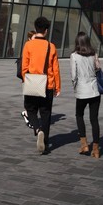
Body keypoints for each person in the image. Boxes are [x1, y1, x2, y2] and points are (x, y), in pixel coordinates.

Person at [21, 16, 61, 155]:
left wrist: (26, 80)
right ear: (46, 30)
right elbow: (55, 69)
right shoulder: (51, 46)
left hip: (32, 83)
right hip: (47, 85)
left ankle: (37, 129)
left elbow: (24, 67)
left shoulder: (28, 45)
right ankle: (45, 142)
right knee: (46, 113)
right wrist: (57, 87)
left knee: (30, 109)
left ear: (36, 28)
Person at [70, 32, 102, 158]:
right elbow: (98, 68)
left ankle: (84, 144)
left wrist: (75, 88)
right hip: (94, 90)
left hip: (82, 91)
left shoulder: (74, 56)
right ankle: (96, 149)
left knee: (79, 115)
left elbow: (74, 76)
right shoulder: (94, 54)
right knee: (94, 119)